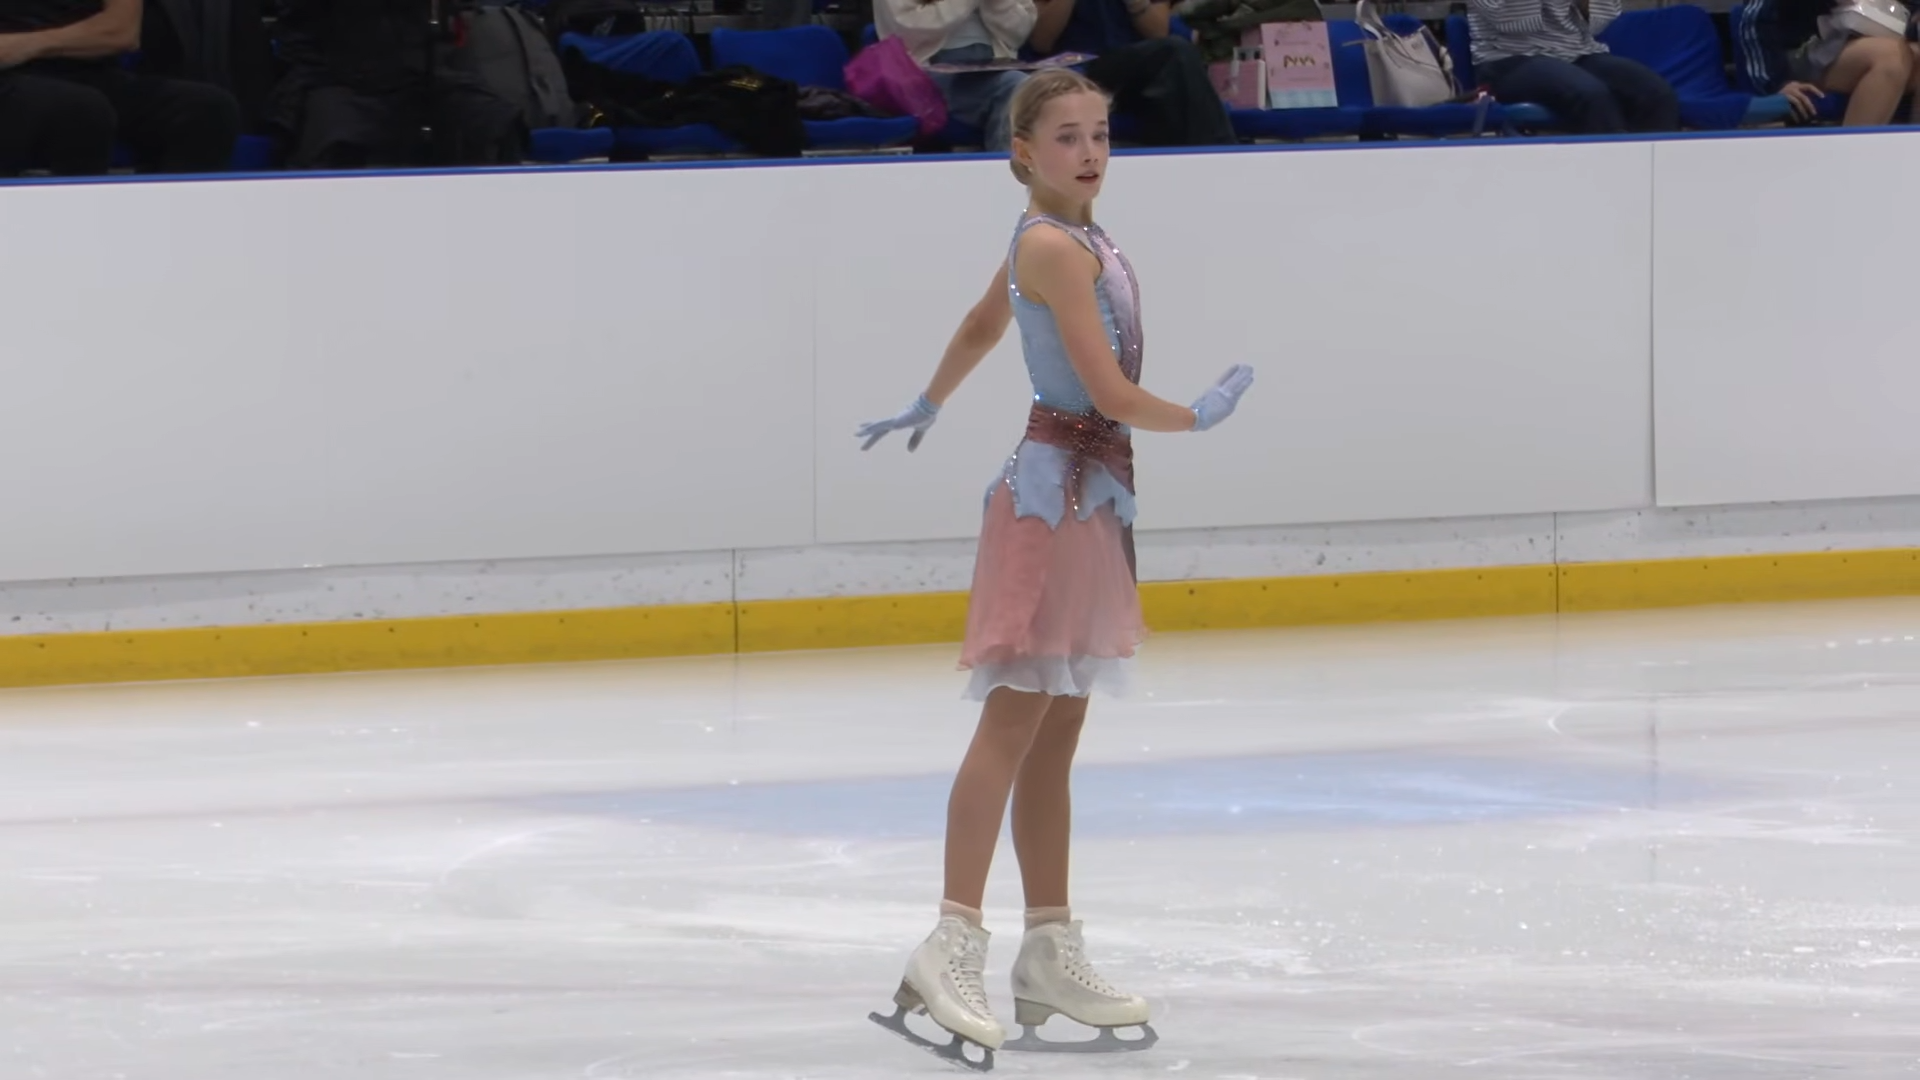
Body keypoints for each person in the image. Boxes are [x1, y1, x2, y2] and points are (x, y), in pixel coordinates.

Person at [857, 69, 1255, 1065]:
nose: (1090, 152)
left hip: (1091, 499)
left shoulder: (1072, 240)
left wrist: (930, 399)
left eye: (1101, 134)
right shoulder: (1049, 245)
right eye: (1068, 136)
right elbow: (1111, 393)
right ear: (1023, 152)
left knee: (1057, 731)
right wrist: (1196, 416)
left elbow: (982, 323)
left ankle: (1047, 945)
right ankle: (949, 940)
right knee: (1012, 724)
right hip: (1049, 503)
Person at [0, 0, 241, 176]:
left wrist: (27, 45)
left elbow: (121, 32)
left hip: (87, 70)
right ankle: (78, 224)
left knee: (207, 108)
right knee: (81, 108)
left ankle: (173, 222)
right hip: (10, 76)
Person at [1024, 0, 1236, 146]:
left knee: (1175, 61)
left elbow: (1158, 32)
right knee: (1174, 56)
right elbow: (1041, 41)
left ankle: (1213, 159)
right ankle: (1220, 153)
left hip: (1139, 67)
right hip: (1078, 70)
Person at [1468, 0, 1680, 134]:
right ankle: (1610, 179)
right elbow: (1510, 21)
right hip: (1508, 58)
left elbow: (1601, 21)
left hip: (1577, 51)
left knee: (1655, 93)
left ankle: (1653, 181)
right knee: (1591, 94)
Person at [876, 0, 1035, 150]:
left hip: (996, 68)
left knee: (1037, 86)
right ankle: (1005, 166)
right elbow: (906, 29)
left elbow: (1019, 32)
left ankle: (1013, 164)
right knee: (1016, 86)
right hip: (924, 75)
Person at [1743, 0, 1920, 126]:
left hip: (1873, 37)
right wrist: (1776, 82)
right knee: (1890, 57)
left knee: (1906, 55)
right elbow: (1752, 18)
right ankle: (1852, 158)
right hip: (1799, 51)